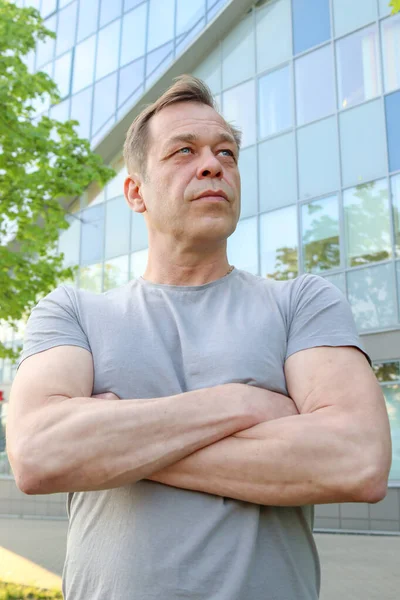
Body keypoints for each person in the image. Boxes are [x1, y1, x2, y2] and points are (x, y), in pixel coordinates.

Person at [7, 75, 391, 600]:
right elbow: (38, 454)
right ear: (135, 192)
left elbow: (358, 461)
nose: (213, 165)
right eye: (183, 151)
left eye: (226, 153)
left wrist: (115, 445)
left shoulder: (302, 302)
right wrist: (243, 403)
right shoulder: (72, 312)